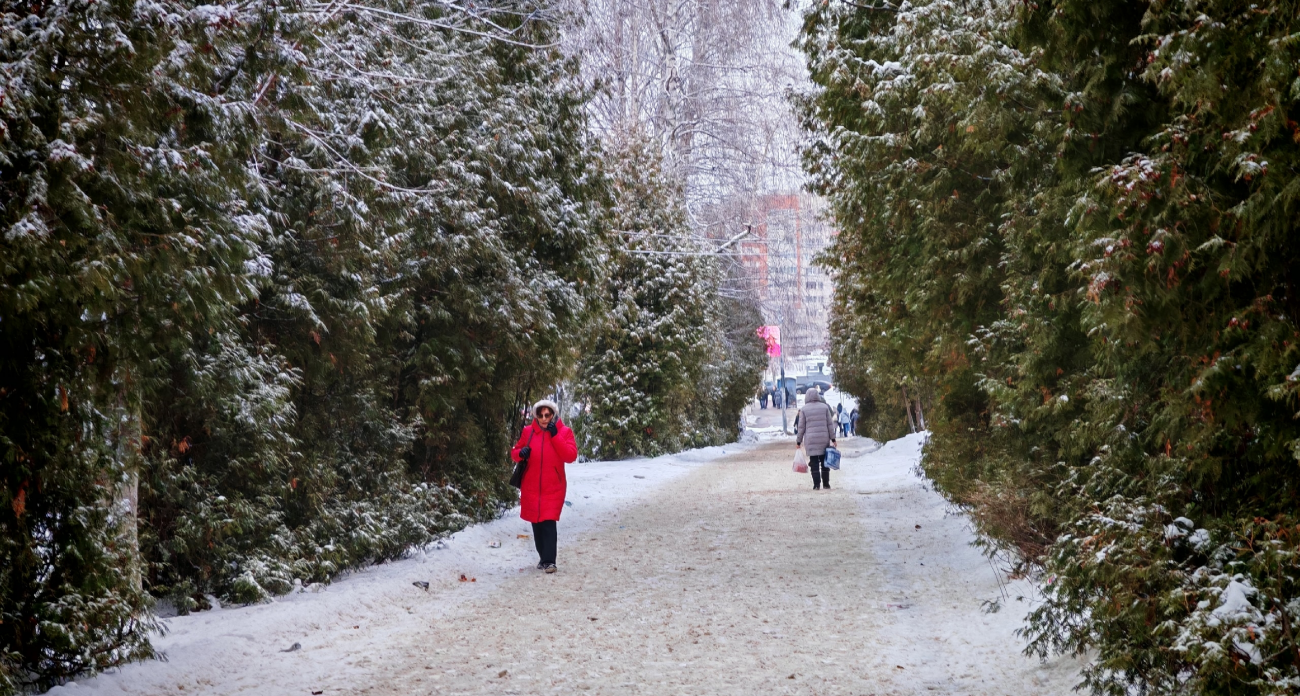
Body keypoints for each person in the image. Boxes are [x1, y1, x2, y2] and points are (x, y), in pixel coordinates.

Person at [510, 399, 578, 573]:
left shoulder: (564, 432)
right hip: (531, 485)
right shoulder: (528, 432)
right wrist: (521, 453)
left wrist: (555, 436)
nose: (544, 418)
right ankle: (543, 558)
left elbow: (570, 456)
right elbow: (514, 452)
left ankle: (549, 561)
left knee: (548, 521)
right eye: (540, 415)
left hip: (553, 485)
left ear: (553, 414)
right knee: (536, 523)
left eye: (547, 414)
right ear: (536, 415)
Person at [796, 387, 838, 490]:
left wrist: (798, 441)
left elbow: (801, 427)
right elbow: (830, 425)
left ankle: (816, 484)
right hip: (823, 439)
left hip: (811, 440)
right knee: (825, 462)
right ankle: (826, 484)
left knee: (814, 463)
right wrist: (833, 439)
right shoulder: (824, 408)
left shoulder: (804, 410)